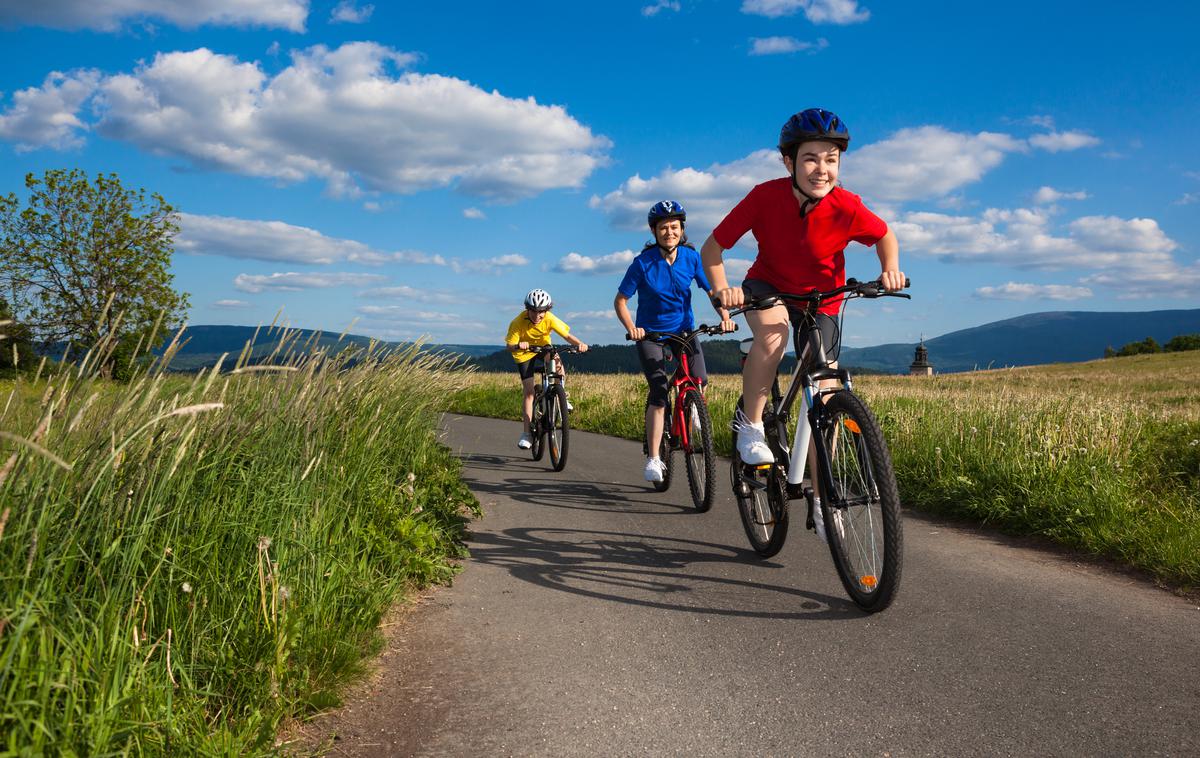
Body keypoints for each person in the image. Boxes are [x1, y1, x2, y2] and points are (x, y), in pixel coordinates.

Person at [702, 108, 905, 468]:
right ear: (788, 162)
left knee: (826, 392)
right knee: (775, 336)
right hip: (768, 288)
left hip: (822, 298)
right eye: (810, 159)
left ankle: (822, 501)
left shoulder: (847, 206)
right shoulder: (764, 197)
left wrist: (890, 269)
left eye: (831, 159)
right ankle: (751, 426)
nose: (822, 169)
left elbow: (884, 235)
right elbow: (712, 249)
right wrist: (722, 290)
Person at [614, 201, 733, 483]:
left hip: (683, 331)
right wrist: (633, 328)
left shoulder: (691, 258)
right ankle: (654, 458)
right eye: (664, 227)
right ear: (654, 230)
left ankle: (692, 410)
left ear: (682, 229)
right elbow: (621, 301)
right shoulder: (642, 263)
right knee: (658, 390)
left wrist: (725, 316)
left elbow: (712, 292)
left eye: (675, 227)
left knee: (699, 378)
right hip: (651, 334)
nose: (670, 232)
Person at [505, 288, 589, 450]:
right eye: (533, 311)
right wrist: (518, 345)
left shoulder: (549, 318)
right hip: (523, 353)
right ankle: (527, 434)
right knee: (529, 392)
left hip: (543, 348)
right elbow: (509, 346)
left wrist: (579, 344)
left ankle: (561, 395)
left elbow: (566, 336)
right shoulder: (517, 322)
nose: (537, 316)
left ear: (547, 310)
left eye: (541, 312)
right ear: (527, 309)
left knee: (555, 358)